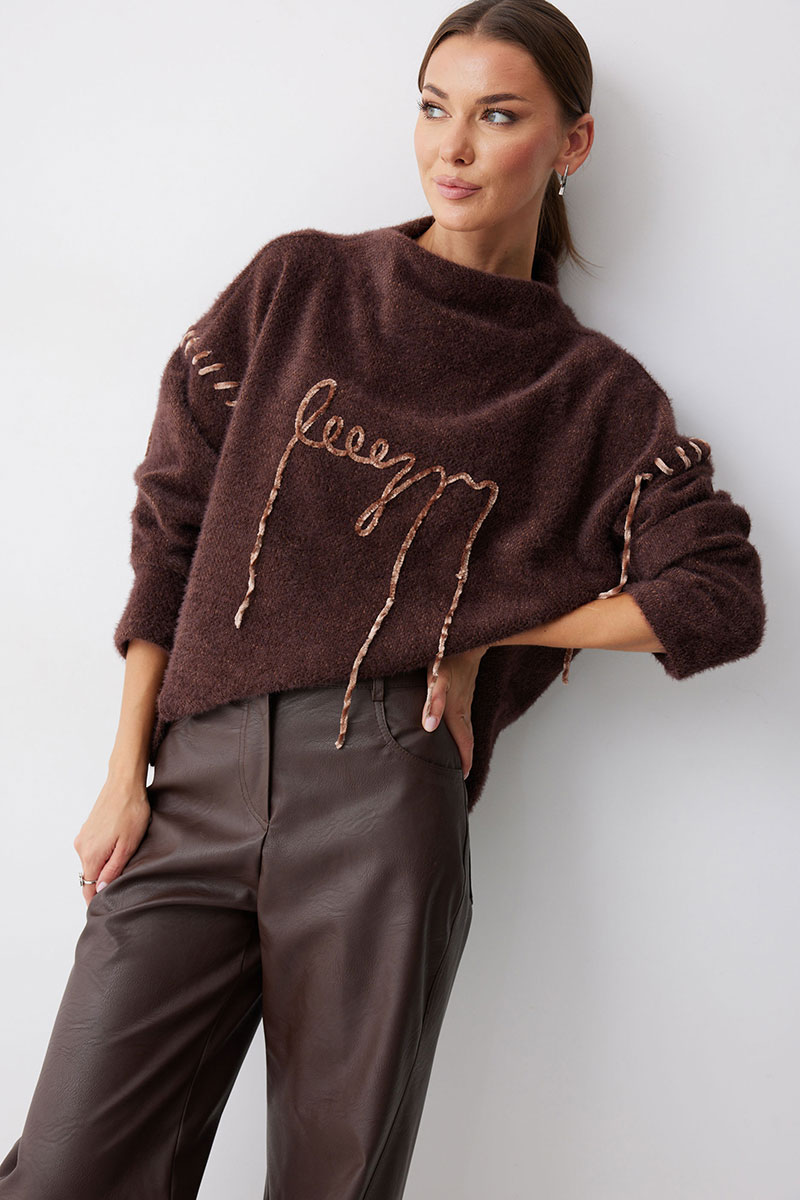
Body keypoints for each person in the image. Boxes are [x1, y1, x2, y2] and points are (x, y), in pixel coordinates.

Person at [0, 1, 766, 1197]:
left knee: (333, 1182)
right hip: (192, 782)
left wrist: (487, 629)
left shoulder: (588, 394)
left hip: (379, 800)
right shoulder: (299, 285)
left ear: (569, 144)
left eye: (496, 116)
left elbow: (717, 596)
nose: (451, 146)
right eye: (432, 107)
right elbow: (171, 529)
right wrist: (122, 772)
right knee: (62, 1175)